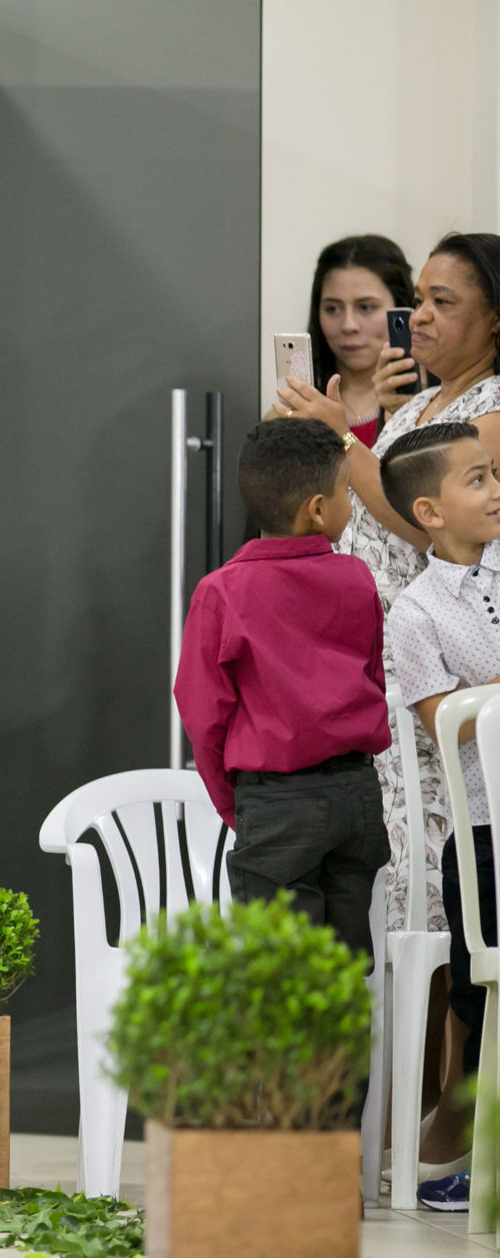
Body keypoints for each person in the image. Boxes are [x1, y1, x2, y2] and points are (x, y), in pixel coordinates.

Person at [277, 233, 500, 1169]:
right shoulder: (429, 399)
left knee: (449, 900)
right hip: (385, 665)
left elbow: (423, 513)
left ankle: (450, 1112)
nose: (422, 319)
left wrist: (343, 443)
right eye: (421, 298)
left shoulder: (491, 408)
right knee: (403, 896)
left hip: (444, 667)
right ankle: (389, 1121)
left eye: (444, 301)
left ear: (494, 316)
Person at [173, 418, 390, 951]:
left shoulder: (221, 592)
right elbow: (373, 679)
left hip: (277, 803)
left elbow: (202, 716)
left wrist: (237, 803)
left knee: (280, 976)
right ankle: (347, 1040)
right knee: (344, 967)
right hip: (356, 794)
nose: (350, 505)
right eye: (346, 492)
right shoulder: (357, 578)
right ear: (317, 509)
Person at [377, 421, 500, 1211]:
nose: (496, 490)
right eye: (479, 479)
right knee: (480, 979)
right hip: (487, 821)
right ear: (430, 510)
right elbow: (448, 725)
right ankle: (478, 1152)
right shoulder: (414, 614)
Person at [300, 234, 418, 448]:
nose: (348, 325)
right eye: (332, 308)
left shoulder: (430, 403)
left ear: (401, 309)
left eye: (366, 307)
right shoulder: (299, 409)